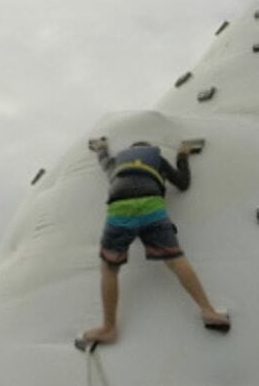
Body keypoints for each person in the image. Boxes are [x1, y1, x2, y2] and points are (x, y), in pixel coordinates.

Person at [79, 137, 230, 347]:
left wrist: (100, 147)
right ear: (148, 150)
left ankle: (108, 327)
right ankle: (209, 311)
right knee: (176, 260)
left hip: (120, 206)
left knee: (109, 268)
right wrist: (182, 154)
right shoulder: (156, 159)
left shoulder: (118, 163)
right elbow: (183, 183)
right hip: (152, 204)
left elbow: (104, 161)